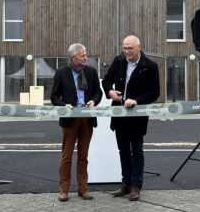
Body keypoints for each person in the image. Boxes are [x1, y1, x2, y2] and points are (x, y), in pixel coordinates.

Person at [102, 35, 159, 201]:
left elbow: (155, 92)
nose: (126, 51)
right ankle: (125, 184)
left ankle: (136, 186)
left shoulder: (150, 66)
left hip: (137, 116)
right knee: (123, 150)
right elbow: (106, 81)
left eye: (130, 48)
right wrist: (110, 92)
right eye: (124, 48)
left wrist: (137, 100)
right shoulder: (119, 61)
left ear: (138, 48)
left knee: (137, 151)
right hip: (119, 115)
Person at [51, 43, 103, 202]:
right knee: (66, 156)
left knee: (83, 156)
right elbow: (54, 97)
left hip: (87, 119)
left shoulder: (91, 72)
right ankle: (64, 190)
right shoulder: (61, 73)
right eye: (83, 56)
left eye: (86, 55)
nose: (86, 58)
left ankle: (83, 189)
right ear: (73, 58)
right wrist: (63, 105)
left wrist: (94, 102)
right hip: (70, 120)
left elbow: (98, 93)